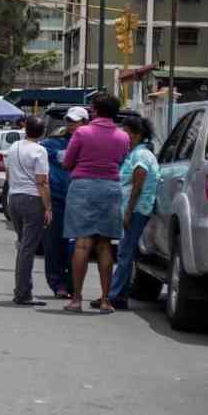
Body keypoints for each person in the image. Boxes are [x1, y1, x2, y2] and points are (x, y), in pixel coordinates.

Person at [62, 93, 130, 314]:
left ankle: (76, 299)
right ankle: (105, 301)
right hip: (110, 188)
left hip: (83, 187)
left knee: (82, 244)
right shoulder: (123, 136)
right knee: (105, 245)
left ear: (95, 110)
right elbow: (121, 161)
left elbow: (67, 162)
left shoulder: (82, 132)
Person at [101, 114, 159, 311]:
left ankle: (114, 295)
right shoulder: (134, 153)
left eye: (125, 132)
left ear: (136, 134)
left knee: (125, 253)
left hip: (136, 210)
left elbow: (138, 185)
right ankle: (118, 294)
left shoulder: (141, 155)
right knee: (124, 252)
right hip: (131, 208)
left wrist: (128, 212)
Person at [6, 115, 52, 306]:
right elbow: (42, 182)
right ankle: (23, 293)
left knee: (23, 245)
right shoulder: (40, 150)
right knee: (27, 249)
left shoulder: (14, 147)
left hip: (14, 198)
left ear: (25, 129)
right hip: (32, 199)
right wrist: (48, 207)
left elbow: (8, 174)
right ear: (42, 133)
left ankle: (21, 289)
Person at [41, 108, 87, 298]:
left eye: (76, 121)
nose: (71, 124)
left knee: (76, 246)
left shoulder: (91, 143)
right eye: (69, 121)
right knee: (54, 244)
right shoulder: (52, 143)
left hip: (81, 200)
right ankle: (57, 284)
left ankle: (72, 284)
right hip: (57, 198)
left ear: (85, 122)